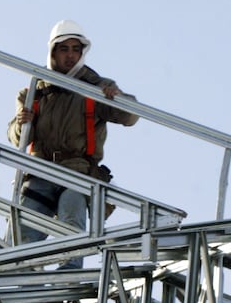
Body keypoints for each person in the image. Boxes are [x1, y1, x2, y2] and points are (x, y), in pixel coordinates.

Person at [7, 20, 138, 269]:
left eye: (75, 49)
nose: (70, 55)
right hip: (40, 170)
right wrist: (20, 124)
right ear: (53, 51)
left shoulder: (95, 86)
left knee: (72, 223)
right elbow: (16, 138)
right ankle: (22, 287)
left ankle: (66, 290)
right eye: (64, 49)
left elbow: (130, 117)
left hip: (77, 171)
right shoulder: (34, 90)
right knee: (22, 235)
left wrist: (118, 98)